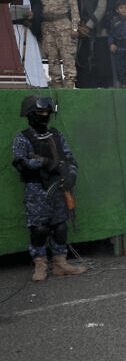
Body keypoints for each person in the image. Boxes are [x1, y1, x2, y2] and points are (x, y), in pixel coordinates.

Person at [12, 96, 86, 281]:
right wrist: (43, 163)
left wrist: (70, 175)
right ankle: (40, 265)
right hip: (36, 190)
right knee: (40, 229)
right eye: (40, 112)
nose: (45, 115)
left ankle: (60, 264)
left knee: (60, 226)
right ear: (30, 115)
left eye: (47, 112)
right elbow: (20, 163)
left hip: (58, 187)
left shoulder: (56, 135)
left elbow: (69, 158)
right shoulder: (23, 138)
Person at [36, 0, 80, 89]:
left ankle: (69, 91)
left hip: (64, 25)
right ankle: (57, 92)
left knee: (68, 61)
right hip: (47, 27)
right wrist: (38, 30)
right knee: (52, 62)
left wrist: (74, 27)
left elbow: (74, 8)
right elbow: (36, 9)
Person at [75, 0, 111, 88]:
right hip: (82, 33)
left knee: (100, 62)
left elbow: (101, 9)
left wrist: (88, 26)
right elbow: (75, 10)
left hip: (99, 32)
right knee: (83, 62)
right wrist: (79, 27)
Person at [11, 0, 47, 87]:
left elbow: (37, 4)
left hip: (26, 27)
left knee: (30, 59)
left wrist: (33, 13)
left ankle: (33, 83)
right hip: (8, 29)